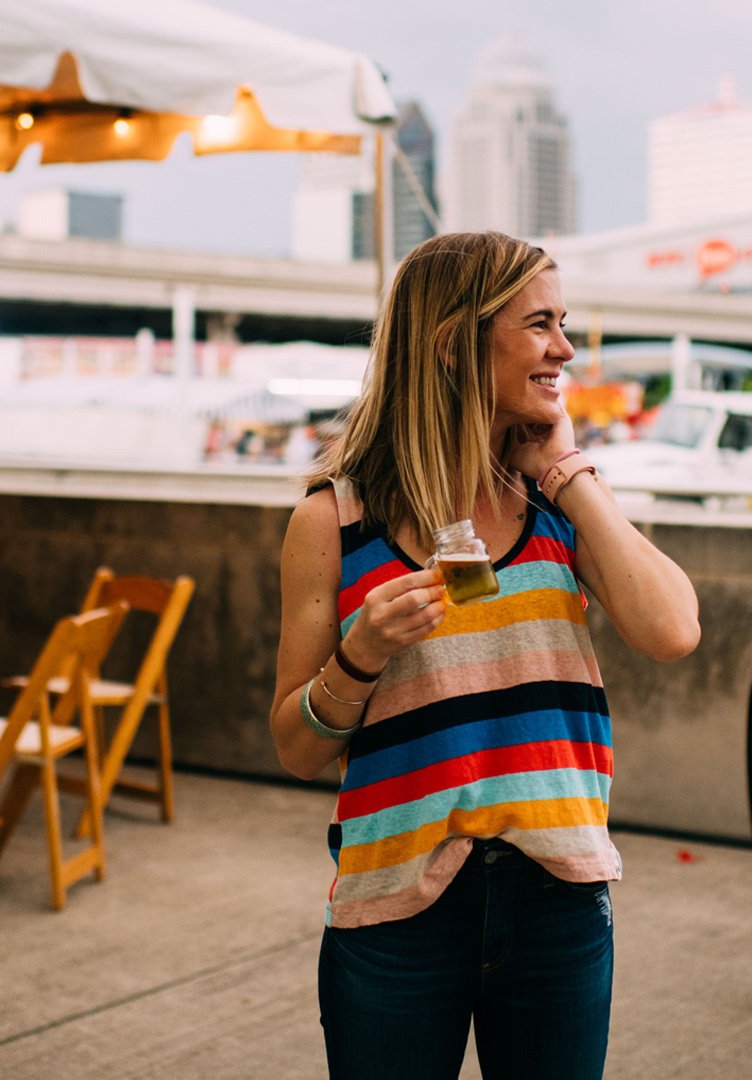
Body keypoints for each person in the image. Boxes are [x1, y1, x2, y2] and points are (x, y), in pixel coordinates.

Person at [269, 231, 700, 1080]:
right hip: (396, 911)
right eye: (540, 323)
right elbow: (297, 746)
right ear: (452, 344)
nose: (565, 349)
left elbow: (673, 629)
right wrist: (359, 656)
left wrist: (568, 469)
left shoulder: (560, 501)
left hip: (558, 898)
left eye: (564, 323)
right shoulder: (333, 523)